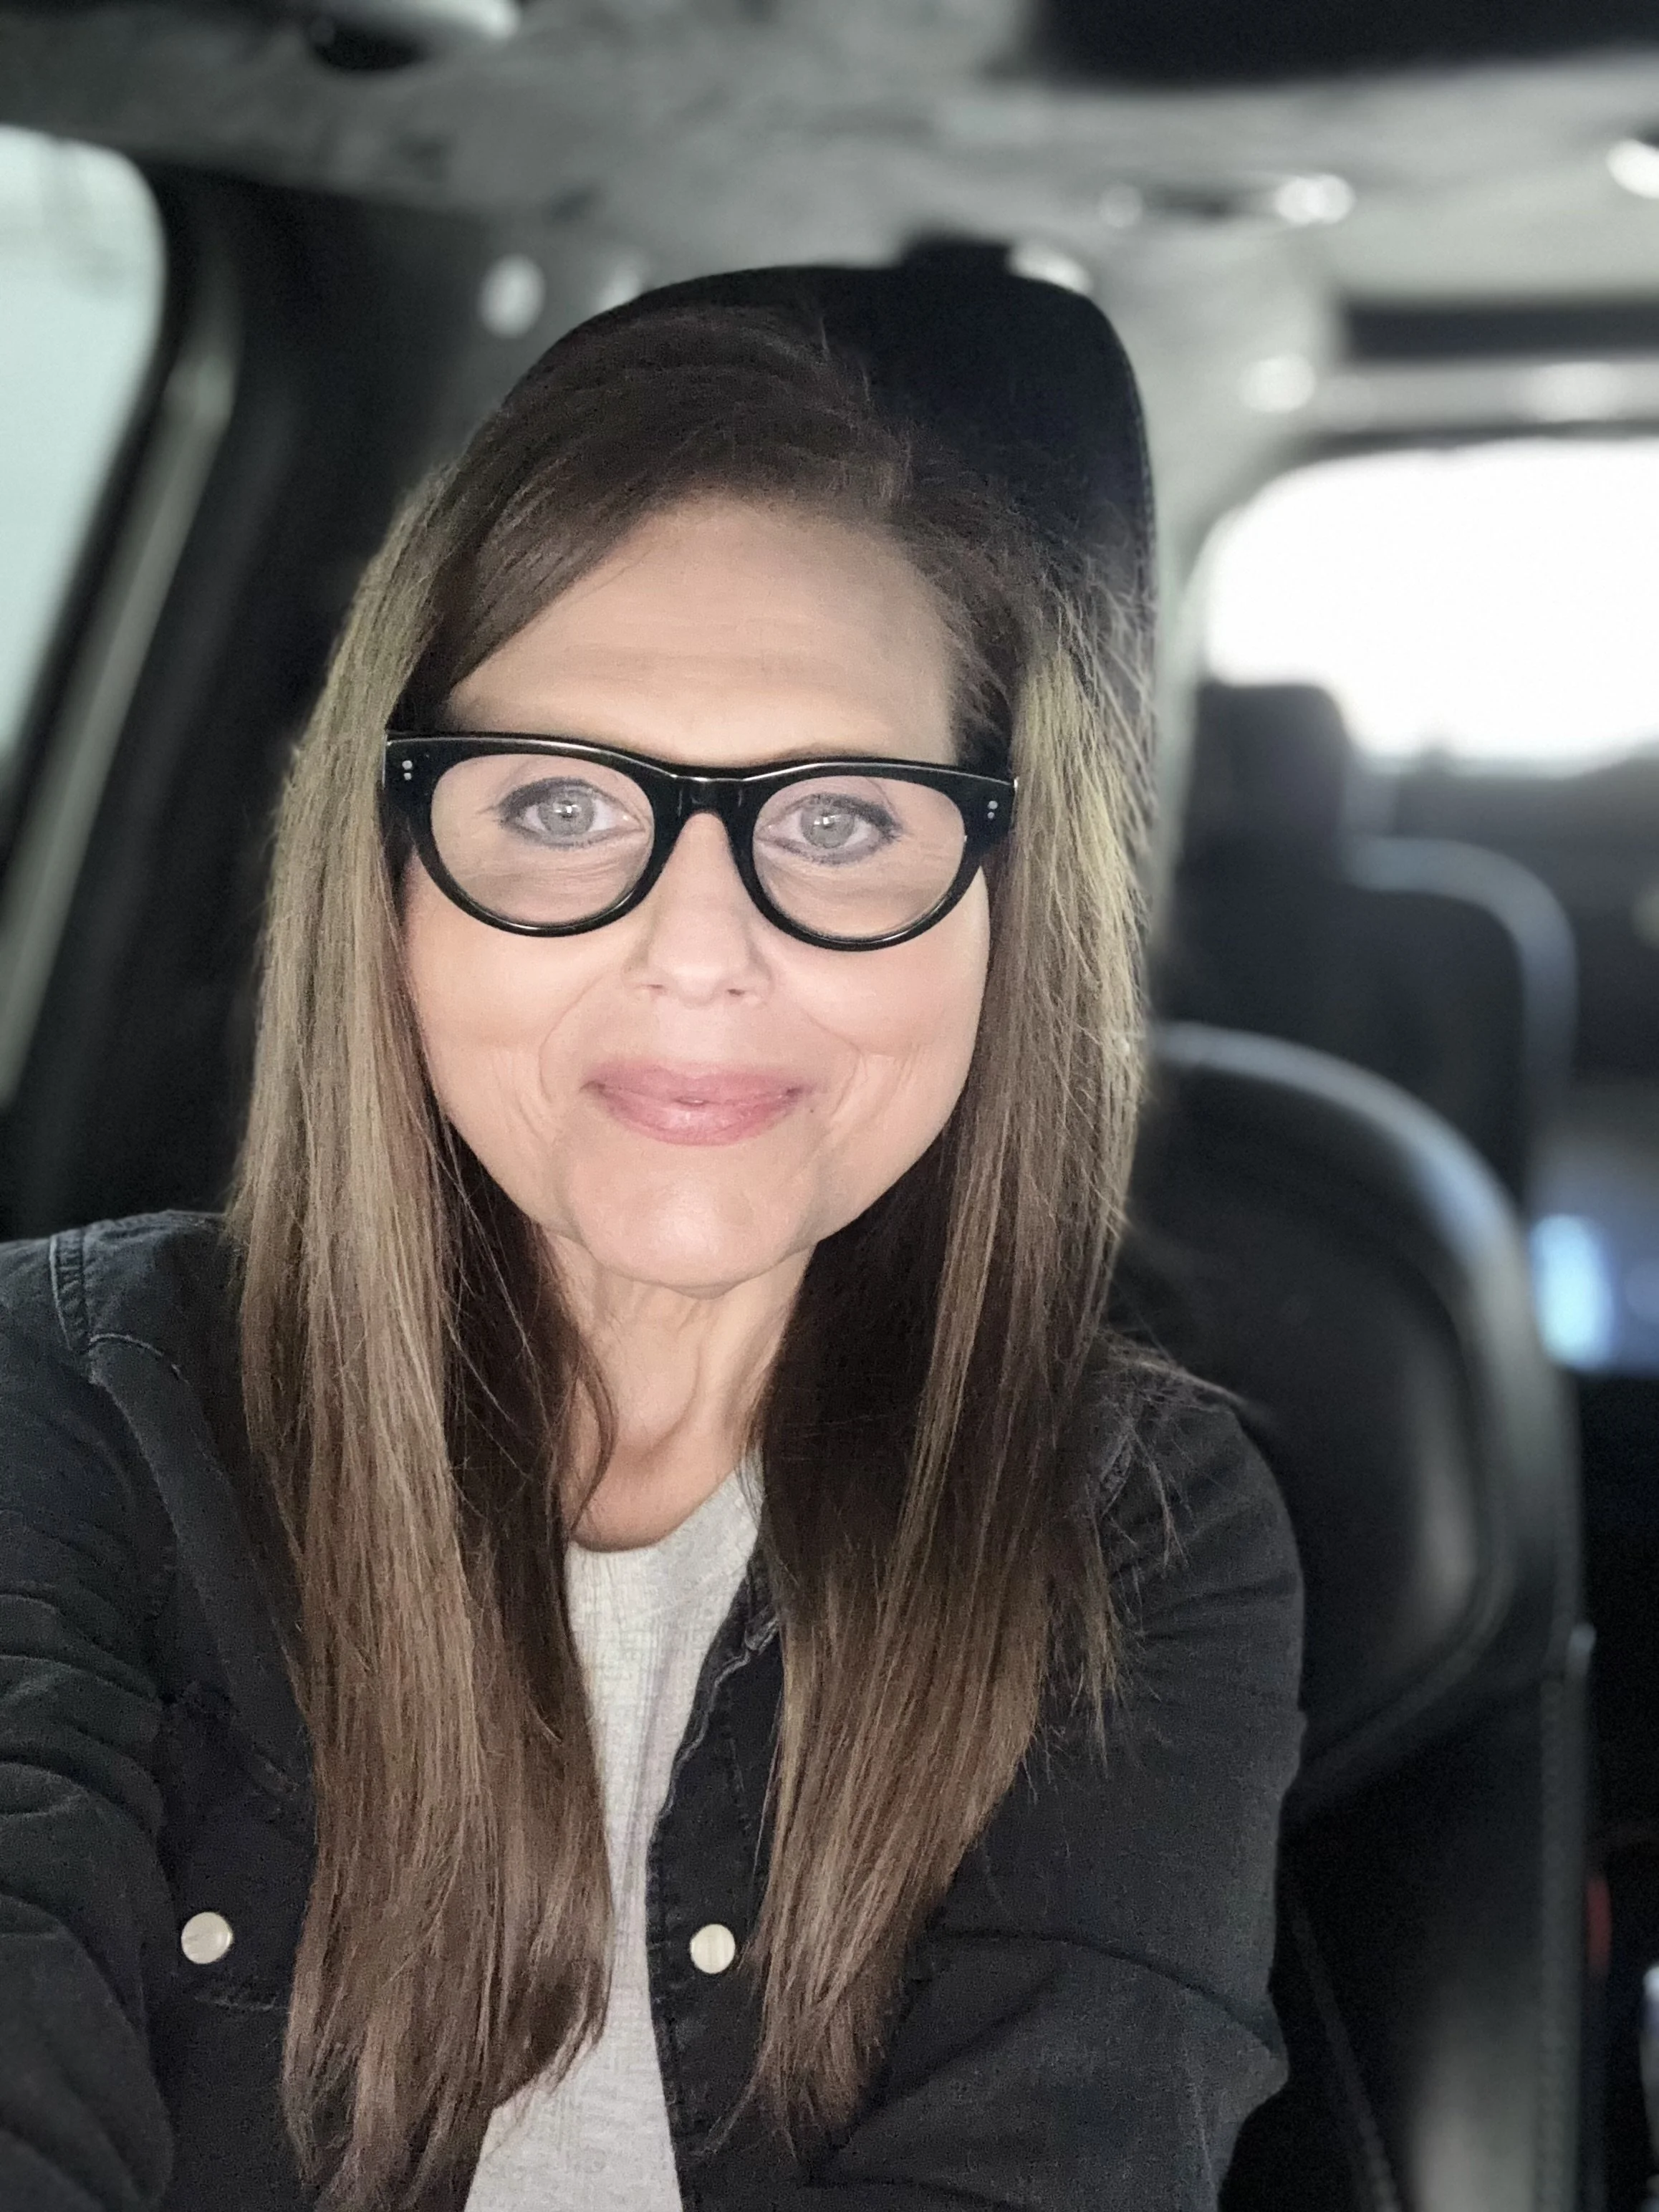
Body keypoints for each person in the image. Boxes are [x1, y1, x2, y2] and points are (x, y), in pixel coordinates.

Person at [0, 293, 1303, 2212]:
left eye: (846, 818)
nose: (700, 949)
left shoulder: (1128, 1526)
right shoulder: (59, 1409)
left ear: (1006, 921)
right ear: (388, 891)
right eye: (554, 804)